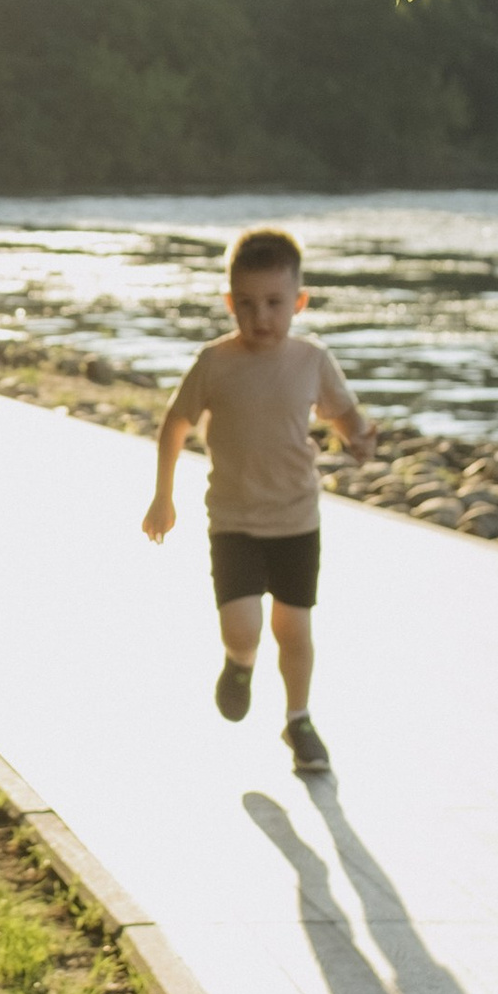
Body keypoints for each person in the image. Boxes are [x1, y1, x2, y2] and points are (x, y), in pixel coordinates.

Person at [141, 225, 372, 780]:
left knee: (294, 628)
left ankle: (298, 720)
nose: (260, 317)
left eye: (273, 303)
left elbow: (343, 411)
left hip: (296, 518)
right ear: (229, 303)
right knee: (242, 626)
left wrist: (357, 435)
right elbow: (175, 423)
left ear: (299, 301)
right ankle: (239, 664)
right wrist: (163, 495)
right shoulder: (214, 363)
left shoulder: (312, 359)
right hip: (234, 520)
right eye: (245, 304)